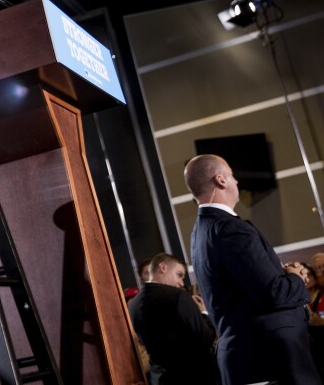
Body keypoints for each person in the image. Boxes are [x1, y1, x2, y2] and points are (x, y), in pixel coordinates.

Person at [186, 154, 321, 385]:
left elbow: (248, 286)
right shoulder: (230, 228)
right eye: (232, 175)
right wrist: (296, 278)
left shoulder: (201, 230)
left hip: (251, 358)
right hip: (270, 361)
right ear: (221, 180)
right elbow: (274, 293)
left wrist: (281, 273)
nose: (237, 181)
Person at [129, 252, 219, 384]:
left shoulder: (134, 304)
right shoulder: (178, 296)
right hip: (193, 376)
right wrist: (204, 313)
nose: (181, 283)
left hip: (159, 379)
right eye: (179, 275)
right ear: (163, 267)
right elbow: (206, 338)